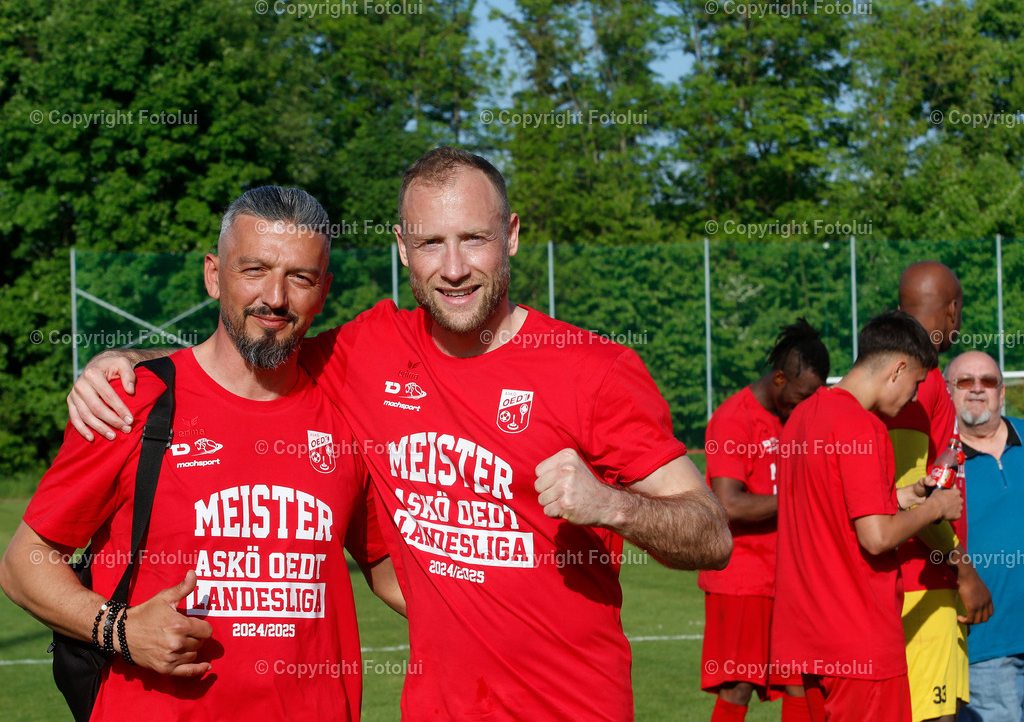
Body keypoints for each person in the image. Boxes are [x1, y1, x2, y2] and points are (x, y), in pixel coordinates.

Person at [64, 147, 733, 721]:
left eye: (474, 238)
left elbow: (711, 533)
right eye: (430, 243)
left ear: (512, 235)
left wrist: (609, 505)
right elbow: (256, 339)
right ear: (402, 248)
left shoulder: (595, 371)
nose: (453, 267)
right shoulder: (367, 351)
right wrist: (130, 365)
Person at [0, 187, 402, 721]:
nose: (275, 297)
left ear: (324, 290)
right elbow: (23, 564)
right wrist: (119, 630)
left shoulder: (345, 409)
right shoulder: (133, 401)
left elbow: (389, 568)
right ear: (214, 274)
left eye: (299, 277)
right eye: (254, 270)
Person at [771, 310, 964, 722]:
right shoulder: (864, 427)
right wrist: (935, 508)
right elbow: (875, 538)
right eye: (914, 385)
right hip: (860, 639)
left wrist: (905, 495)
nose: (912, 399)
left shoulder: (802, 418)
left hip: (808, 636)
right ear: (898, 369)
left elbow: (832, 509)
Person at [700, 319, 829, 722]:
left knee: (802, 676)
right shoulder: (733, 419)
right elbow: (728, 504)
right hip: (744, 577)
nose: (805, 404)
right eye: (800, 395)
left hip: (790, 575)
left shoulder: (799, 417)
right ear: (778, 378)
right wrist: (802, 499)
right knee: (739, 684)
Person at [886, 262, 993, 722]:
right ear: (952, 311)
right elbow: (912, 491)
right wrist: (964, 572)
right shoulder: (920, 379)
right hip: (922, 582)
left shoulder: (891, 371)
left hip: (902, 581)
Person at [944, 351, 1023, 722]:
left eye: (988, 381)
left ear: (1001, 393)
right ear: (948, 394)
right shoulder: (939, 461)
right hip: (987, 643)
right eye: (965, 382)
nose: (977, 389)